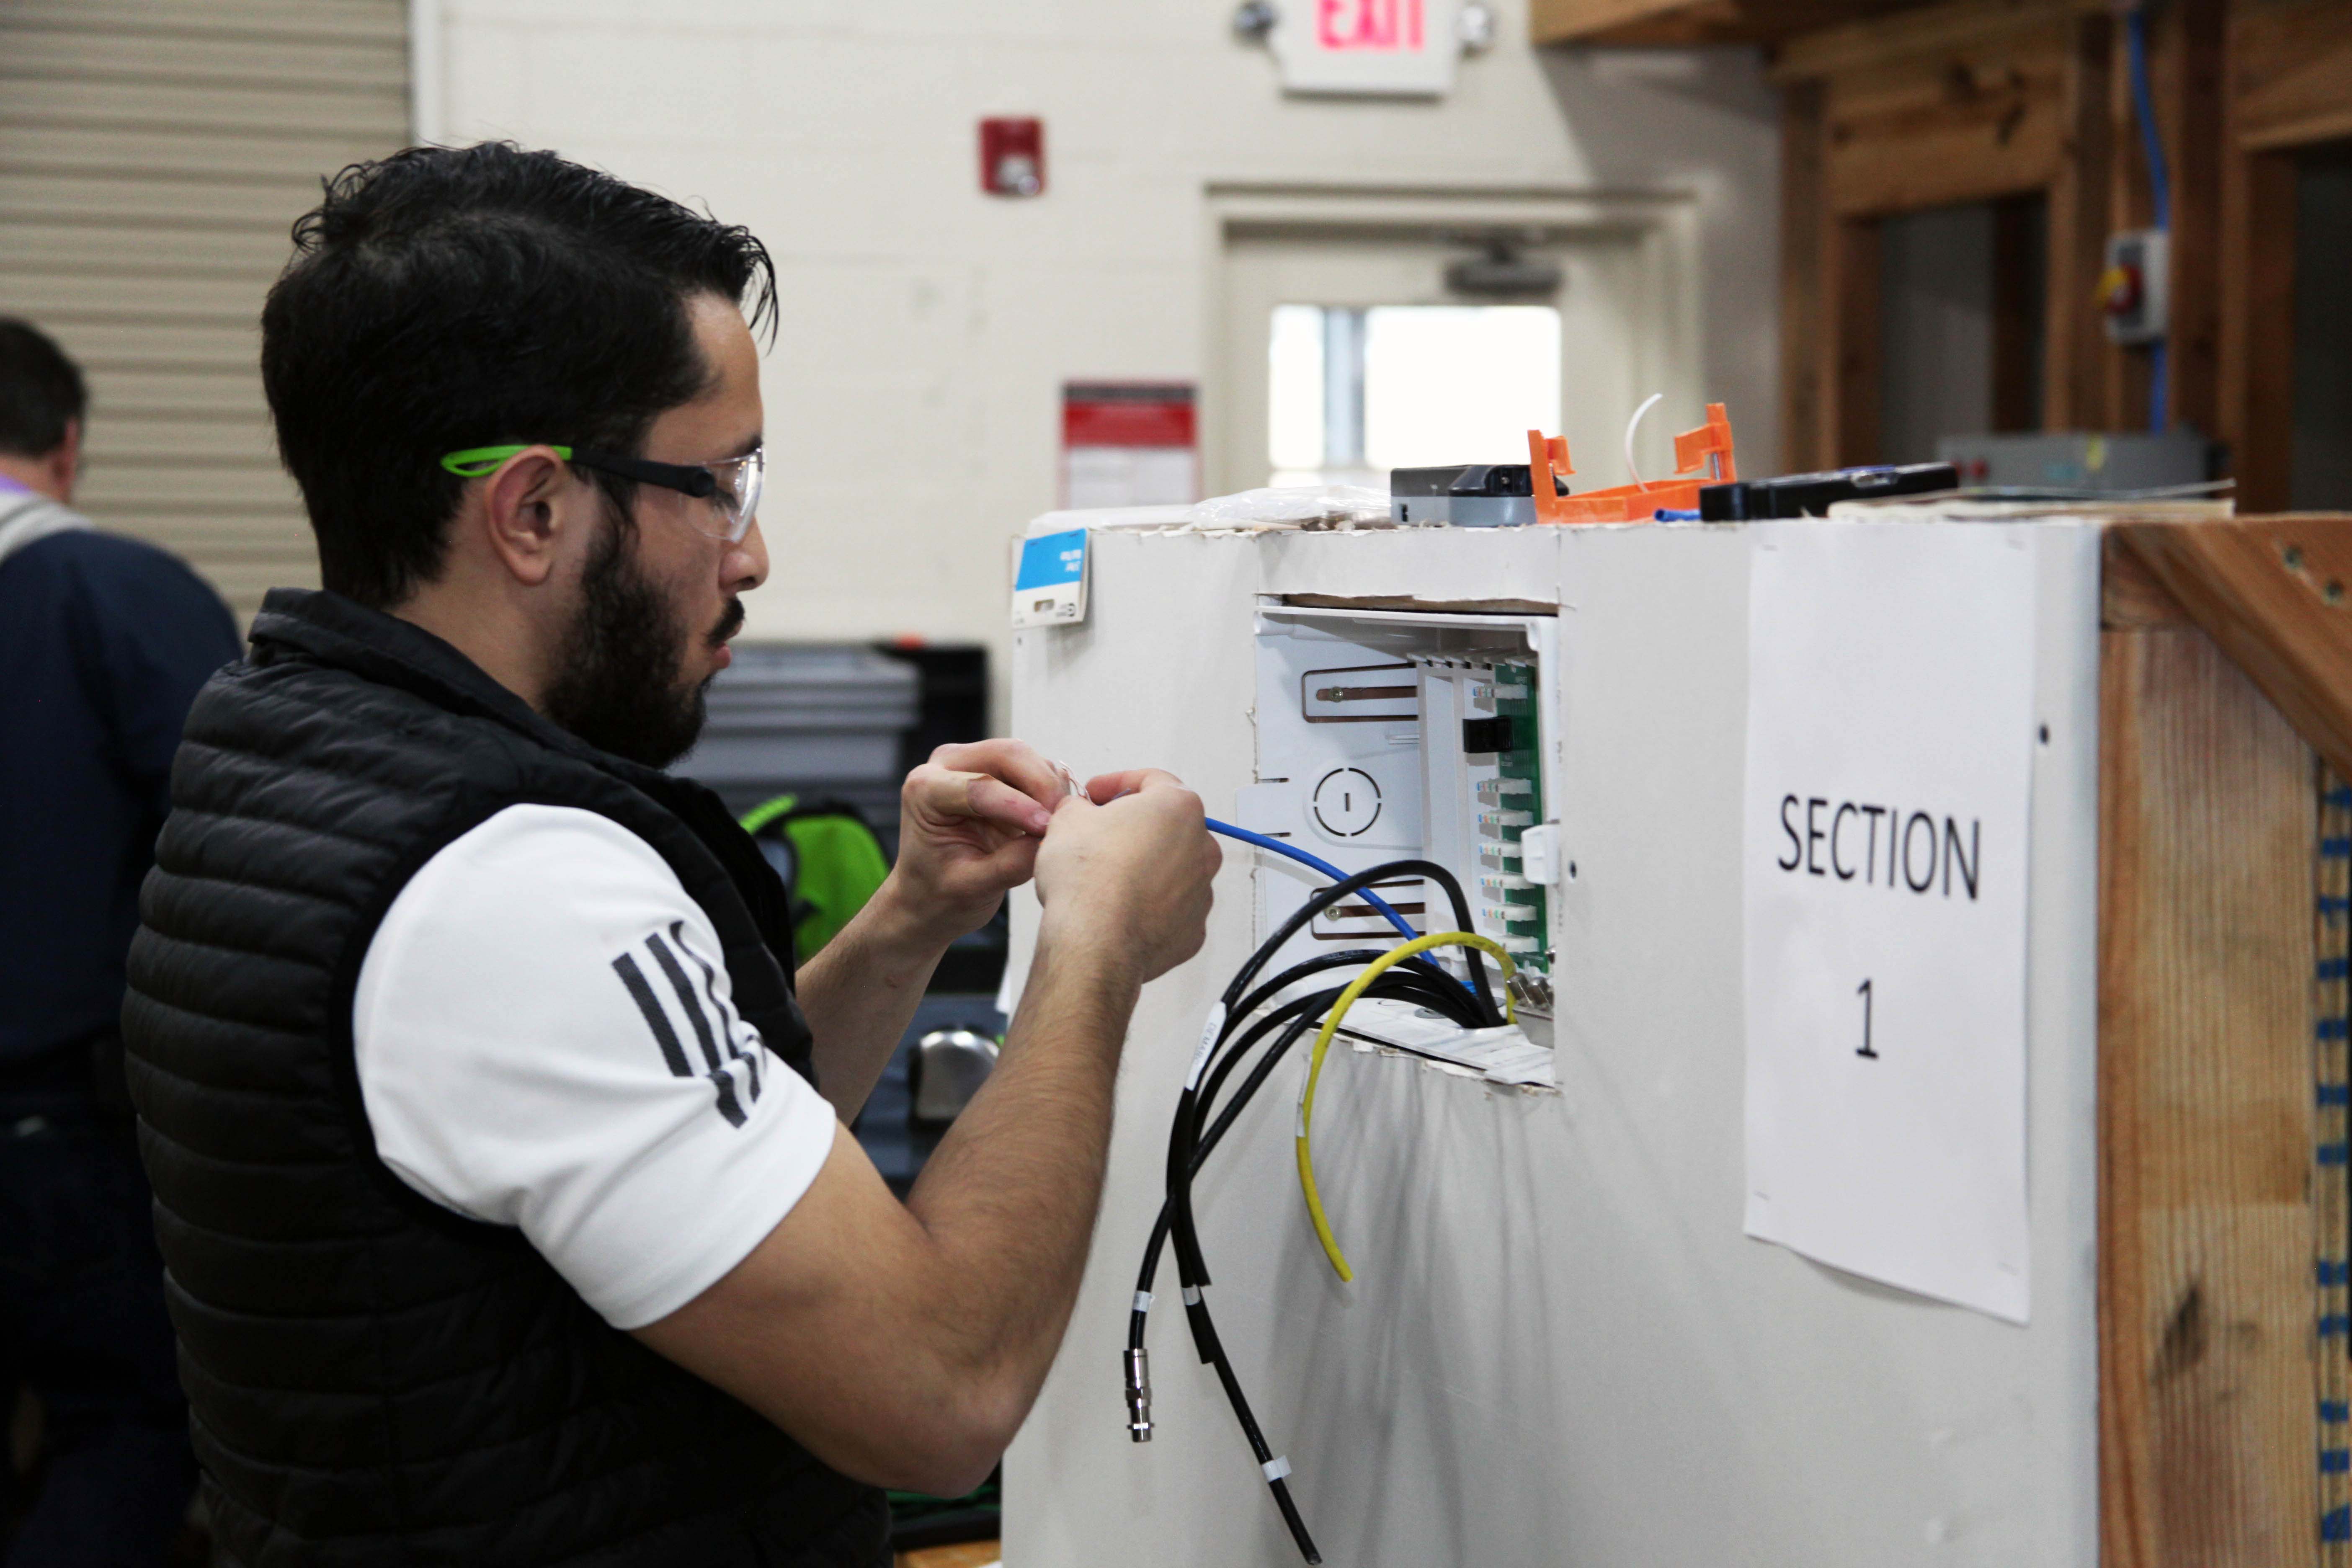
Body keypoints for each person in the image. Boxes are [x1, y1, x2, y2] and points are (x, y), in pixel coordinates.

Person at [121, 143, 1222, 1568]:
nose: (750, 555)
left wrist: (906, 922)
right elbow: (941, 1394)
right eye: (722, 483)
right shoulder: (503, 881)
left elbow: (670, 1148)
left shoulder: (293, 746)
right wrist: (1094, 952)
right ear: (531, 510)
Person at [0, 318, 236, 1563]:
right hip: (60, 1138)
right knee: (134, 1421)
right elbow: (239, 848)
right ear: (69, 445)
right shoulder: (112, 595)